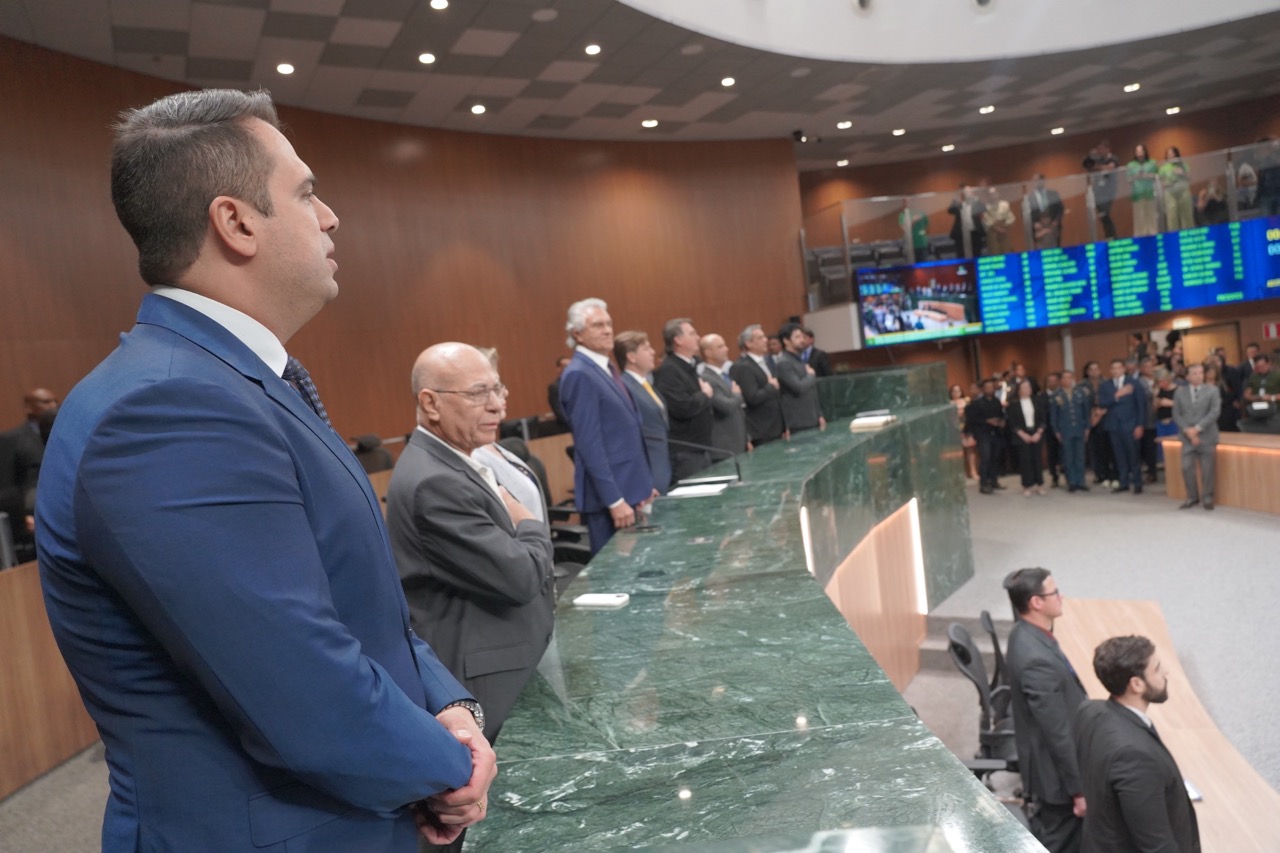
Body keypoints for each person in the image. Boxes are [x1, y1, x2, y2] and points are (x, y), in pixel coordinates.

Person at [35, 89, 495, 851]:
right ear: (236, 222)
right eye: (307, 193)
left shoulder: (233, 381)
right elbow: (303, 686)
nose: (330, 217)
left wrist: (450, 707)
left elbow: (359, 608)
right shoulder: (167, 407)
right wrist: (452, 766)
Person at [387, 343, 555, 747]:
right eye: (479, 393)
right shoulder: (435, 482)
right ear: (431, 403)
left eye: (497, 389)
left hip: (511, 657)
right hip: (490, 679)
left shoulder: (452, 462)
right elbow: (519, 577)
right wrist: (529, 523)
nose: (497, 404)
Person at [1075, 636, 1201, 853]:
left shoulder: (1089, 711)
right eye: (1157, 669)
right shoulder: (1135, 756)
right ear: (1136, 684)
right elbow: (1157, 845)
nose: (1165, 672)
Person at [558, 298, 655, 554]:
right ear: (577, 334)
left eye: (609, 324)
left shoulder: (606, 367)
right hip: (610, 502)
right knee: (619, 572)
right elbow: (589, 444)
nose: (607, 330)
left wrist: (644, 484)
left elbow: (625, 433)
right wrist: (614, 500)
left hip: (632, 491)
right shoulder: (579, 374)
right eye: (597, 325)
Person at [1004, 568, 1088, 853]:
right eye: (1055, 592)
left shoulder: (1025, 633)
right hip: (1055, 780)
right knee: (1059, 842)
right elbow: (1057, 731)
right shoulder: (1034, 659)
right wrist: (1079, 790)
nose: (1061, 597)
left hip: (1051, 770)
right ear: (1036, 602)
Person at [652, 317, 716, 482]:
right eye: (692, 334)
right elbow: (682, 407)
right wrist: (705, 395)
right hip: (686, 451)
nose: (698, 337)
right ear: (678, 340)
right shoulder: (669, 370)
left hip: (701, 447)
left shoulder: (689, 366)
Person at [1, 387, 57, 558]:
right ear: (28, 407)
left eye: (55, 401)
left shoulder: (60, 433)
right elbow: (7, 484)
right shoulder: (12, 439)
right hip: (30, 515)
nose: (53, 405)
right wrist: (21, 517)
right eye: (46, 402)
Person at [616, 330, 673, 494]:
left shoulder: (646, 384)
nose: (653, 352)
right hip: (648, 472)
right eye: (646, 348)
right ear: (631, 357)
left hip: (663, 466)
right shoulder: (625, 387)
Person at [1171, 363, 1220, 511]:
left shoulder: (1212, 390)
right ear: (1187, 377)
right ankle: (1192, 497)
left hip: (1207, 435)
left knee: (1207, 469)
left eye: (1200, 373)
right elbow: (1176, 414)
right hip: (1186, 437)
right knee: (1186, 467)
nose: (1199, 376)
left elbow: (1214, 412)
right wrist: (1188, 430)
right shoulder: (1180, 392)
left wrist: (1197, 429)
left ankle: (1207, 497)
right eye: (1194, 373)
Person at [1096, 358, 1148, 493]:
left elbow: (1141, 405)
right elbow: (1102, 403)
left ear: (1124, 369)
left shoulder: (1134, 383)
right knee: (1119, 456)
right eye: (1113, 368)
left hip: (1131, 424)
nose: (1116, 371)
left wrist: (1140, 425)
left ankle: (1137, 482)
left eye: (1118, 368)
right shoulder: (1105, 385)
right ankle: (1123, 482)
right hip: (1113, 425)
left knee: (1133, 455)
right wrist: (1117, 395)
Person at [731, 324, 785, 447]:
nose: (765, 340)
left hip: (776, 426)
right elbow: (752, 397)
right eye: (760, 338)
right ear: (749, 343)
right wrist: (771, 387)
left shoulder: (767, 361)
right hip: (761, 430)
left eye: (764, 336)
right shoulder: (743, 366)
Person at [697, 333, 748, 456]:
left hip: (739, 440)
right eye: (720, 347)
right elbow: (726, 407)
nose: (726, 349)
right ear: (708, 353)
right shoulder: (707, 378)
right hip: (725, 446)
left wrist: (747, 437)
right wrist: (737, 395)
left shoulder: (723, 375)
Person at [775, 322, 825, 434]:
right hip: (799, 421)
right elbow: (798, 388)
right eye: (797, 337)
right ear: (786, 341)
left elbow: (811, 390)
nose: (802, 340)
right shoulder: (784, 363)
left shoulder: (799, 360)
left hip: (812, 417)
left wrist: (819, 414)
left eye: (802, 337)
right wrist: (811, 375)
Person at [1050, 369, 1091, 492]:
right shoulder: (1056, 395)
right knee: (1068, 456)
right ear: (1061, 380)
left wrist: (1087, 427)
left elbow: (1086, 412)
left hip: (1079, 428)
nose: (1067, 380)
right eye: (1065, 378)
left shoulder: (1080, 393)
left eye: (1069, 377)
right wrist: (1056, 431)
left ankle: (1081, 481)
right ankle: (1072, 482)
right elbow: (1054, 415)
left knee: (1080, 456)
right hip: (1065, 429)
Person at [1007, 379, 1048, 496]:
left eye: (1029, 387)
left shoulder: (1037, 401)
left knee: (1037, 460)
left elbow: (1043, 419)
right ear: (1019, 390)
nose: (1027, 389)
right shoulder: (1014, 404)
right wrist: (1022, 434)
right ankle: (1027, 485)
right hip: (1022, 435)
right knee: (1025, 461)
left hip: (1036, 433)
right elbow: (1012, 422)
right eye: (1024, 387)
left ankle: (1040, 484)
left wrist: (1038, 433)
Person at [965, 378, 1006, 494]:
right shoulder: (977, 403)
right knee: (985, 458)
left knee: (995, 457)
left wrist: (1001, 421)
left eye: (991, 387)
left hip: (996, 433)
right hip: (983, 434)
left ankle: (994, 481)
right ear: (983, 389)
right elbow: (972, 420)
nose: (989, 389)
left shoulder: (996, 402)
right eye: (987, 387)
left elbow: (1001, 415)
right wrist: (987, 421)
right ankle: (983, 483)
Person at [1082, 361, 1115, 489]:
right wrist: (1092, 415)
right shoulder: (1082, 385)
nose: (1094, 372)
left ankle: (1113, 474)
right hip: (1091, 420)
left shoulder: (1107, 383)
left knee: (1109, 448)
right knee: (1095, 449)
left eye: (1096, 369)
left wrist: (1102, 412)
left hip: (1107, 418)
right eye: (1091, 369)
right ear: (1087, 372)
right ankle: (1100, 474)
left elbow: (1111, 400)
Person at [1083, 141, 1119, 239]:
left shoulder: (1113, 158)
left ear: (1107, 149)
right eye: (1099, 150)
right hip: (1098, 191)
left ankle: (1112, 236)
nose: (1100, 151)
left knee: (1105, 213)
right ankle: (1108, 235)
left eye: (1102, 149)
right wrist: (1091, 155)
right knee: (1102, 215)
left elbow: (1110, 167)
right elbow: (1087, 165)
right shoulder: (1100, 160)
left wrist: (1098, 167)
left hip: (1109, 191)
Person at [1240, 353, 1280, 434]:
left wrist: (1271, 397)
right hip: (1257, 410)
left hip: (1274, 410)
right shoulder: (1253, 377)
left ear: (1268, 363)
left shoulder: (1277, 376)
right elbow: (1247, 394)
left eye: (1263, 366)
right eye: (1258, 367)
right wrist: (1256, 397)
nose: (1261, 369)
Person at [1126, 144, 1159, 237]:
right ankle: (1140, 237)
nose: (1139, 154)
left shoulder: (1152, 163)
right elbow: (1128, 179)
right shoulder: (1131, 165)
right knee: (1139, 217)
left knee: (1152, 216)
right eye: (1137, 152)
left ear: (1145, 152)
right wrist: (1137, 176)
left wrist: (1147, 175)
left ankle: (1153, 235)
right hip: (1137, 195)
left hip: (1150, 194)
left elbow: (1157, 175)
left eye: (1141, 151)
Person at [1158, 146, 1194, 232]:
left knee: (1186, 214)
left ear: (1176, 154)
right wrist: (1167, 183)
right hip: (1170, 193)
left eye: (1173, 153)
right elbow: (1160, 182)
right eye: (1169, 154)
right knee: (1172, 216)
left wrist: (1182, 173)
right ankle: (1173, 236)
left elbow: (1190, 178)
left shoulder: (1183, 164)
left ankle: (1189, 234)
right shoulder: (1163, 168)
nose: (1171, 155)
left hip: (1183, 191)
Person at [948, 183, 986, 257]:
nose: (968, 193)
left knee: (976, 254)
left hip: (975, 233)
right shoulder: (960, 205)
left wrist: (975, 198)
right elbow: (950, 210)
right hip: (961, 234)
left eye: (969, 191)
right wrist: (956, 198)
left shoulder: (976, 204)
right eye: (965, 192)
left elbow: (983, 208)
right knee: (962, 254)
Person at [1029, 174, 1064, 249]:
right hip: (1038, 228)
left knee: (1054, 248)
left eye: (1038, 180)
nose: (1037, 182)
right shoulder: (1029, 198)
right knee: (1040, 249)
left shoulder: (1053, 194)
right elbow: (1026, 214)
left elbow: (1060, 209)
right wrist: (1034, 223)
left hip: (1053, 226)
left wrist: (1056, 220)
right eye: (1034, 181)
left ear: (1043, 181)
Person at [951, 383, 979, 480]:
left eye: (958, 390)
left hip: (967, 428)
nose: (956, 392)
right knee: (958, 452)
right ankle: (961, 473)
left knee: (970, 450)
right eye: (954, 391)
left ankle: (973, 471)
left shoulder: (967, 401)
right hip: (955, 428)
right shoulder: (949, 404)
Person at [1041, 373, 1063, 488]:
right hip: (1049, 430)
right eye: (1050, 381)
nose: (1052, 383)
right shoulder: (1042, 397)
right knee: (1052, 453)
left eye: (1054, 381)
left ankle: (1068, 475)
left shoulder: (1063, 394)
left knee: (1064, 452)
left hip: (1063, 428)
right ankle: (1054, 476)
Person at [982, 186, 1016, 255]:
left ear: (998, 194)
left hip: (1004, 231)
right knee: (995, 253)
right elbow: (987, 221)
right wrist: (998, 229)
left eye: (994, 193)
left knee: (1006, 252)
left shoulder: (1005, 204)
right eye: (990, 194)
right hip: (992, 233)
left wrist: (1004, 228)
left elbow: (1010, 218)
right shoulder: (986, 207)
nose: (992, 195)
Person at [547, 355, 572, 428]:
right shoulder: (555, 388)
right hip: (570, 428)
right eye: (566, 367)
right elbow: (560, 413)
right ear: (558, 369)